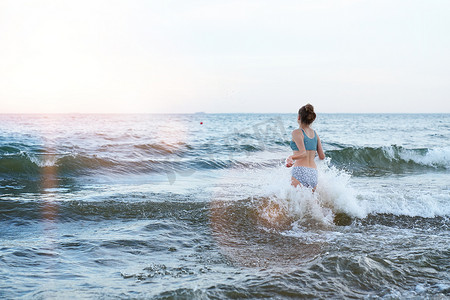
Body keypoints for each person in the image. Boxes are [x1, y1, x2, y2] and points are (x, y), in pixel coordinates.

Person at [285, 104, 325, 190]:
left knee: (295, 202)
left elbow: (303, 154)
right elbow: (322, 156)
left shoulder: (297, 132)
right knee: (311, 203)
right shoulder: (315, 134)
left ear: (299, 117)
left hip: (300, 170)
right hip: (313, 172)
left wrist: (291, 157)